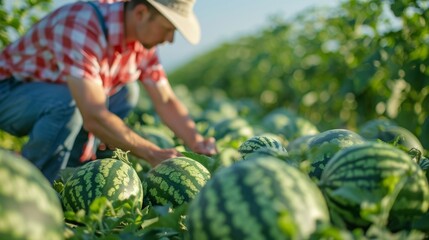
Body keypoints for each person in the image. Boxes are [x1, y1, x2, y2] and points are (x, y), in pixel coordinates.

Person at [0, 0, 217, 183]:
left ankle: (75, 167)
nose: (170, 39)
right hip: (9, 91)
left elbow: (166, 100)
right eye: (168, 29)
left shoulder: (142, 43)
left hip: (59, 94)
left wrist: (195, 141)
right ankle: (33, 181)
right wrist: (152, 153)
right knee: (67, 103)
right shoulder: (81, 24)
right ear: (141, 13)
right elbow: (94, 115)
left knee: (127, 92)